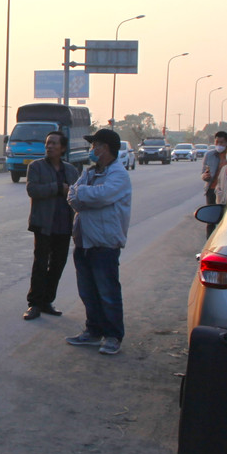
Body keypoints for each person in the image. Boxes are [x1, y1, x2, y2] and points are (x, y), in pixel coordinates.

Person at [64, 128, 132, 356]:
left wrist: (82, 193)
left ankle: (112, 336)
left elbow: (103, 196)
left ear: (107, 149)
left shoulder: (119, 175)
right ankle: (93, 331)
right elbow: (72, 197)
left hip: (104, 243)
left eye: (96, 145)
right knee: (88, 291)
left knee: (107, 292)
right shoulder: (90, 173)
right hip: (83, 240)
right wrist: (84, 194)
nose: (92, 149)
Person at [23, 131, 80, 320]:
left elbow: (77, 193)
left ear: (63, 148)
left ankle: (47, 300)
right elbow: (32, 189)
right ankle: (34, 304)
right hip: (43, 224)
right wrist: (57, 188)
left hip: (64, 225)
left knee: (58, 264)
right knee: (40, 264)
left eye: (54, 143)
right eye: (48, 143)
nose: (50, 146)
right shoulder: (36, 167)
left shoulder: (71, 170)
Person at [199, 130, 227, 236]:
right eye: (217, 142)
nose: (219, 145)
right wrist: (205, 176)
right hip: (212, 190)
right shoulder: (209, 155)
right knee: (211, 219)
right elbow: (203, 173)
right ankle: (209, 244)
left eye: (222, 143)